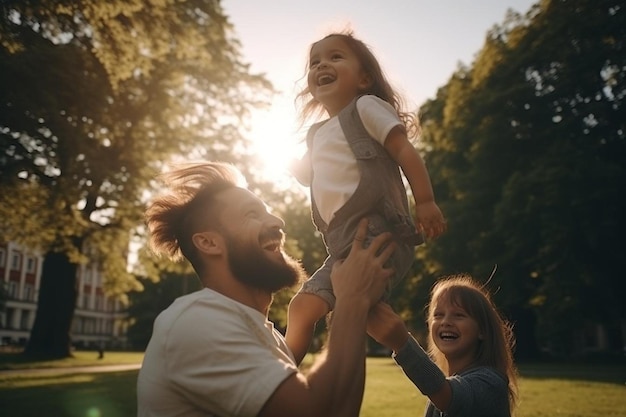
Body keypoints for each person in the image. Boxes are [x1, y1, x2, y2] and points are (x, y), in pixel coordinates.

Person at [136, 161, 397, 417]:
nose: (277, 221)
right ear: (208, 242)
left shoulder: (268, 337)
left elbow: (342, 408)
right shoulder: (196, 320)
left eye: (267, 211)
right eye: (252, 214)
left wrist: (321, 313)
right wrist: (352, 300)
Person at [286, 31, 447, 364]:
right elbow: (308, 174)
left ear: (364, 78)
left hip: (377, 230)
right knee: (302, 308)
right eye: (315, 62)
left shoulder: (366, 108)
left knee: (349, 310)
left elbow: (403, 149)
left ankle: (330, 380)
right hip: (341, 245)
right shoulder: (316, 134)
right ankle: (277, 377)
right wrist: (295, 167)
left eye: (335, 57)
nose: (322, 65)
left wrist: (426, 201)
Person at [367, 274, 519, 417]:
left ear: (482, 330)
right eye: (438, 315)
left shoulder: (491, 383)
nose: (446, 322)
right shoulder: (445, 386)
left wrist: (402, 344)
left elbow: (447, 396)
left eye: (459, 315)